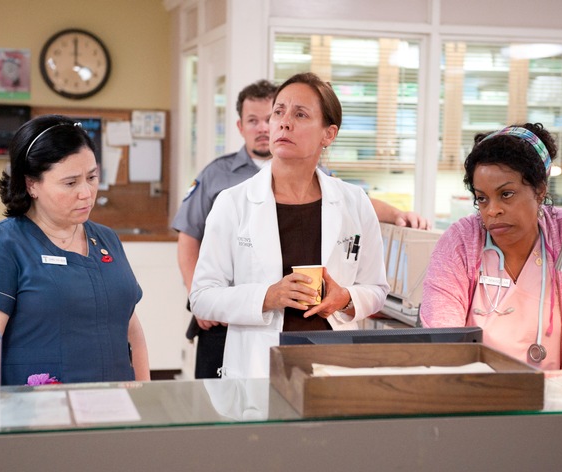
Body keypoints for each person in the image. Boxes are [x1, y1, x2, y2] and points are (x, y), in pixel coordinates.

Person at [173, 79, 429, 378]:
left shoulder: (354, 202)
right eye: (278, 112)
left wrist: (346, 298)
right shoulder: (232, 202)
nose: (284, 123)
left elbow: (376, 289)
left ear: (328, 134)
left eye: (300, 114)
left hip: (332, 362)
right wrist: (267, 296)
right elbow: (203, 296)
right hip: (257, 365)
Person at [0, 114, 150, 385]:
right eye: (70, 183)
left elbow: (132, 332)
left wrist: (145, 394)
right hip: (34, 410)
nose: (86, 192)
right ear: (31, 184)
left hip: (115, 403)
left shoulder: (106, 240)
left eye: (92, 177)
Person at [420, 123, 562, 369]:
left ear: (540, 190)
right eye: (482, 198)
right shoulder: (459, 242)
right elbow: (443, 346)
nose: (492, 211)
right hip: (472, 387)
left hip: (553, 390)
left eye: (506, 194)